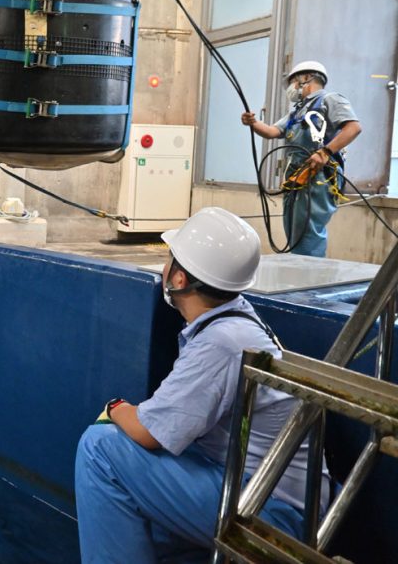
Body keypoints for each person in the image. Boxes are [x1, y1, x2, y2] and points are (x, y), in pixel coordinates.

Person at [75, 207, 329, 564]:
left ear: (179, 279)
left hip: (270, 511)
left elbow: (148, 432)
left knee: (99, 450)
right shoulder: (236, 319)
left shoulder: (221, 342)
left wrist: (115, 407)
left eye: (169, 259)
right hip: (261, 490)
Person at [241, 61, 362, 257]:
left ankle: (310, 282)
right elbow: (273, 131)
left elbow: (353, 128)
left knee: (308, 231)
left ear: (306, 78)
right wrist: (253, 123)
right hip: (298, 177)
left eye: (293, 82)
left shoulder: (330, 100)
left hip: (319, 176)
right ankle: (298, 274)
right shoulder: (297, 110)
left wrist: (325, 152)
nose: (291, 88)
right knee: (294, 230)